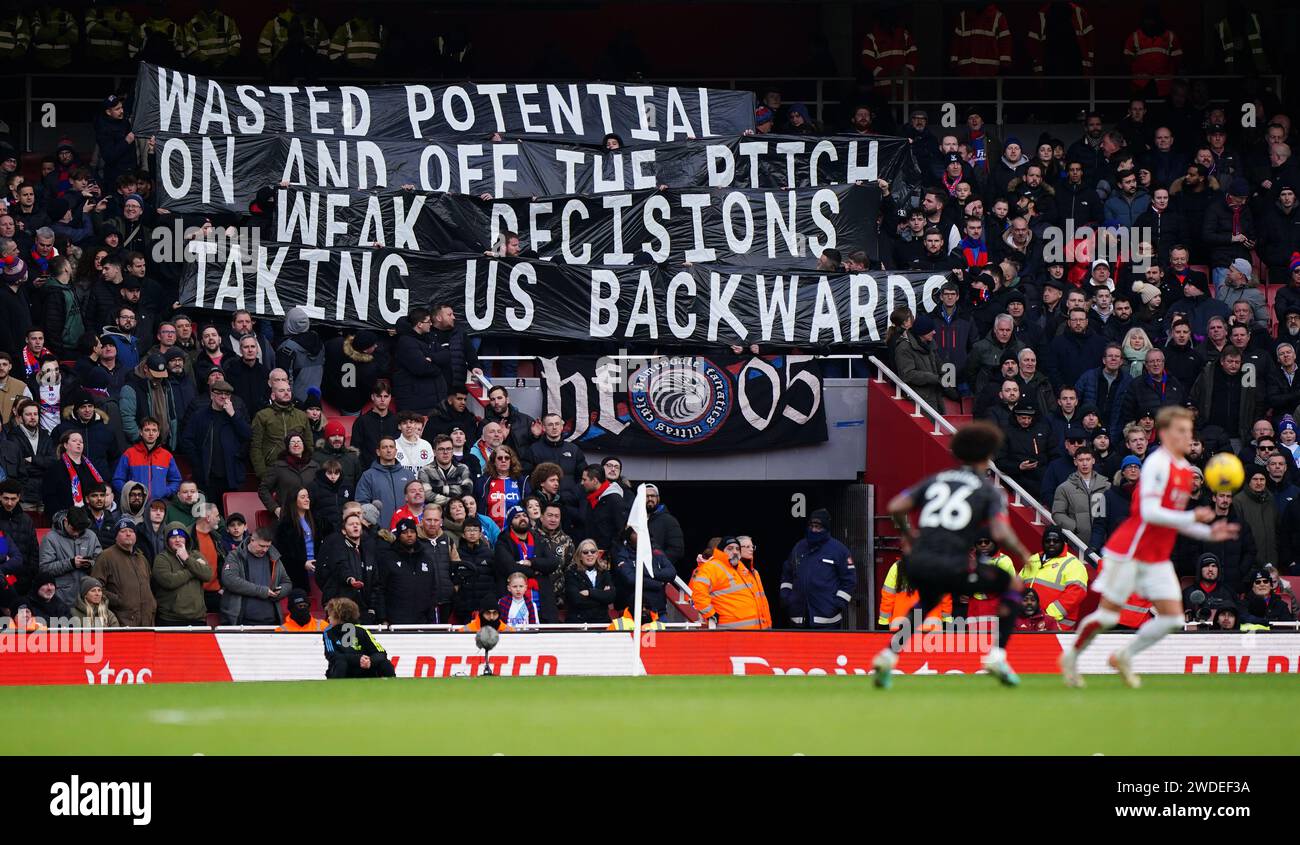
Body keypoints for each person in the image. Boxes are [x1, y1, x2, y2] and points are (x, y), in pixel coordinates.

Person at [1061, 407, 1240, 688]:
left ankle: (1123, 655)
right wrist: (1193, 517)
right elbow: (1148, 512)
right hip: (1130, 550)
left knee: (1171, 618)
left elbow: (1175, 521)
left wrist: (1209, 530)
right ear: (1167, 434)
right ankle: (1071, 657)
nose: (1187, 436)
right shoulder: (1157, 464)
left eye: (1189, 431)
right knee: (1108, 616)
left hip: (1157, 555)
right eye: (1181, 431)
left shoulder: (1183, 471)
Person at [874, 421, 1031, 688]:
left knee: (928, 602)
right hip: (953, 563)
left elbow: (896, 506)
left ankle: (888, 656)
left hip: (917, 562)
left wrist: (908, 534)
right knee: (1014, 584)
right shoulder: (988, 490)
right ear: (989, 455)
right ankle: (997, 655)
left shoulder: (936, 479)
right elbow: (1001, 533)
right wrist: (1024, 553)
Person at [779, 509, 856, 629]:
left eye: (818, 527)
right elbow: (787, 574)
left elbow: (849, 580)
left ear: (826, 528)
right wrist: (786, 597)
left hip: (827, 621)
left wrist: (838, 604)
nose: (814, 530)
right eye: (812, 526)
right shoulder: (799, 547)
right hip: (799, 618)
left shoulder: (839, 550)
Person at [179, 379, 250, 504]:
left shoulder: (235, 416)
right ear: (212, 395)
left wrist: (233, 415)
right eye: (219, 393)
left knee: (230, 516)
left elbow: (248, 436)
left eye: (227, 394)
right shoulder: (199, 415)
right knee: (208, 515)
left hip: (231, 476)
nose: (223, 397)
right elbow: (186, 440)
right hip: (207, 477)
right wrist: (197, 463)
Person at [492, 505, 559, 622]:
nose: (522, 518)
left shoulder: (539, 539)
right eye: (517, 517)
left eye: (524, 515)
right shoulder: (502, 542)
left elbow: (553, 563)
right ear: (510, 523)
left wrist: (531, 562)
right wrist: (538, 571)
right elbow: (510, 568)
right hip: (514, 603)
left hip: (542, 601)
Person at [690, 536, 772, 630]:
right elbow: (698, 594)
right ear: (721, 551)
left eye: (737, 549)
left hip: (755, 631)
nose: (735, 551)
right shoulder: (711, 567)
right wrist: (710, 614)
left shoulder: (742, 569)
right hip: (731, 632)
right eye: (730, 548)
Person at [1018, 526, 1089, 630]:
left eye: (1056, 541)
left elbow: (1075, 594)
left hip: (1057, 626)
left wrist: (1048, 615)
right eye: (1048, 540)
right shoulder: (1033, 559)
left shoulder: (1073, 564)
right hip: (1029, 623)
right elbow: (1018, 586)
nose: (1051, 543)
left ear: (1063, 543)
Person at [219, 526, 292, 626]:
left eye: (268, 546)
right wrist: (262, 591)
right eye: (261, 546)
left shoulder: (274, 557)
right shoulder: (235, 556)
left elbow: (287, 582)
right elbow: (230, 580)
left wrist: (281, 591)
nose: (265, 550)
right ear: (252, 540)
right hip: (242, 622)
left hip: (272, 622)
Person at [89, 517, 155, 627]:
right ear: (116, 536)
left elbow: (149, 585)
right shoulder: (106, 557)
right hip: (121, 622)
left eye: (131, 531)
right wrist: (118, 600)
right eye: (123, 531)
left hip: (147, 622)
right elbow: (94, 587)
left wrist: (153, 604)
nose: (128, 534)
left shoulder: (142, 558)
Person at [317, 510, 380, 623]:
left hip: (363, 609)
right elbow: (341, 566)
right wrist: (350, 579)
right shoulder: (337, 548)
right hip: (341, 609)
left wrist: (372, 608)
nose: (355, 526)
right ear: (343, 531)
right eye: (351, 524)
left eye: (358, 524)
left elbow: (375, 582)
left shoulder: (367, 550)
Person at [375, 517, 440, 624]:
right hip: (395, 620)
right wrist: (382, 618)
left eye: (412, 532)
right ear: (399, 535)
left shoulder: (426, 558)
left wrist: (431, 617)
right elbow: (380, 589)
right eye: (405, 532)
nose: (409, 535)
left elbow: (432, 590)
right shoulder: (388, 558)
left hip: (422, 620)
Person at [38, 507, 101, 610]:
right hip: (61, 598)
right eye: (73, 529)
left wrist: (90, 564)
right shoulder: (50, 538)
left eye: (80, 530)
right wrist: (71, 563)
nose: (76, 533)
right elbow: (44, 568)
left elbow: (101, 563)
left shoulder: (91, 536)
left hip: (87, 598)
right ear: (65, 521)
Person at [150, 522, 212, 627]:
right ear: (167, 540)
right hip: (170, 619)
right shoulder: (162, 558)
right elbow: (169, 581)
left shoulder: (196, 555)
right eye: (173, 537)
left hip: (197, 618)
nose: (178, 540)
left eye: (181, 536)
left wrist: (187, 558)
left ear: (186, 539)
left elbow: (207, 575)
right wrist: (193, 570)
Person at [322, 597, 396, 679]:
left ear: (339, 616)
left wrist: (369, 660)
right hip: (344, 670)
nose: (328, 618)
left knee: (385, 663)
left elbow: (381, 653)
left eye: (331, 615)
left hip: (364, 669)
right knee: (340, 663)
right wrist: (357, 659)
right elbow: (332, 655)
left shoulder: (361, 630)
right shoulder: (329, 632)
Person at [355, 437, 417, 529]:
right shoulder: (368, 476)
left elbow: (416, 501)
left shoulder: (408, 475)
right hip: (380, 532)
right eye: (384, 447)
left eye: (391, 447)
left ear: (396, 451)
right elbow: (362, 504)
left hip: (406, 531)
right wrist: (375, 524)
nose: (388, 450)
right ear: (378, 452)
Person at [322, 330, 387, 414]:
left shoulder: (335, 343)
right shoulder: (368, 368)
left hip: (328, 394)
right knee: (352, 424)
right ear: (365, 351)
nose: (376, 346)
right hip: (350, 404)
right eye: (373, 345)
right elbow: (368, 390)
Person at [475, 445, 530, 532]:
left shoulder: (521, 481)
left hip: (516, 531)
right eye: (500, 458)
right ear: (493, 462)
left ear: (511, 461)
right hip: (490, 531)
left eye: (507, 458)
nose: (503, 460)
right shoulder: (484, 481)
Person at [565, 538, 615, 624]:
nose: (589, 554)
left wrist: (590, 593)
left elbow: (611, 596)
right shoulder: (571, 573)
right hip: (579, 622)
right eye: (585, 552)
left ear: (597, 555)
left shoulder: (604, 572)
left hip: (602, 621)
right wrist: (602, 596)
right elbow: (576, 600)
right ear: (580, 556)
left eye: (593, 551)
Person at [350, 380, 398, 463]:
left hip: (392, 469)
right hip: (368, 470)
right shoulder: (361, 421)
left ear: (390, 397)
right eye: (379, 396)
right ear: (372, 397)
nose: (382, 400)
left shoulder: (396, 421)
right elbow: (355, 450)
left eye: (386, 396)